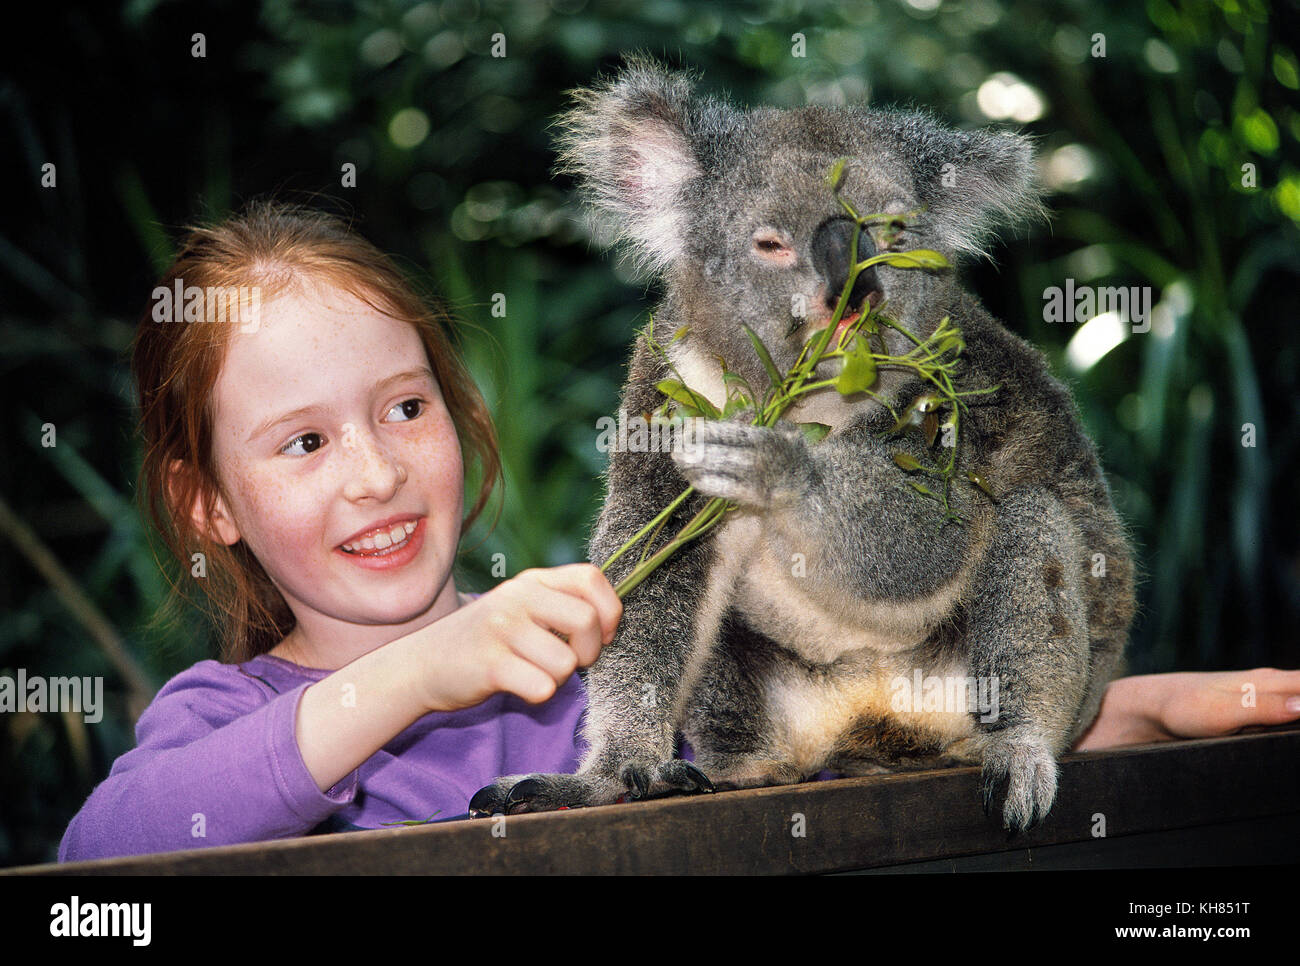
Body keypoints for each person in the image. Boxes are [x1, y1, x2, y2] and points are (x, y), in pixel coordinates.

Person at [57, 200, 1300, 862]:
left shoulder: (608, 669)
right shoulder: (223, 718)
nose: (375, 471)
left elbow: (856, 752)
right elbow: (99, 862)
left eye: (404, 407)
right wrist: (416, 675)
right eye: (302, 442)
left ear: (460, 415)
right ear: (205, 503)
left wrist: (1116, 713)